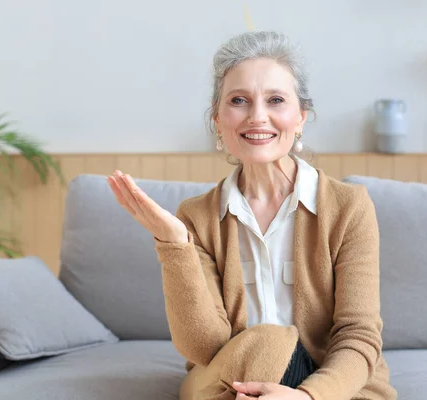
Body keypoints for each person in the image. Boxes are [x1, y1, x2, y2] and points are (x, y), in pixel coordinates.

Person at [107, 31, 397, 400]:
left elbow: (359, 335)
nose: (257, 117)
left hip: (331, 387)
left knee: (267, 344)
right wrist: (174, 245)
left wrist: (307, 397)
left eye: (276, 100)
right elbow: (205, 348)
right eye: (239, 100)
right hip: (232, 377)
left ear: (301, 118)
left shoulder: (348, 207)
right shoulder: (195, 216)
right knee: (259, 347)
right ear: (217, 119)